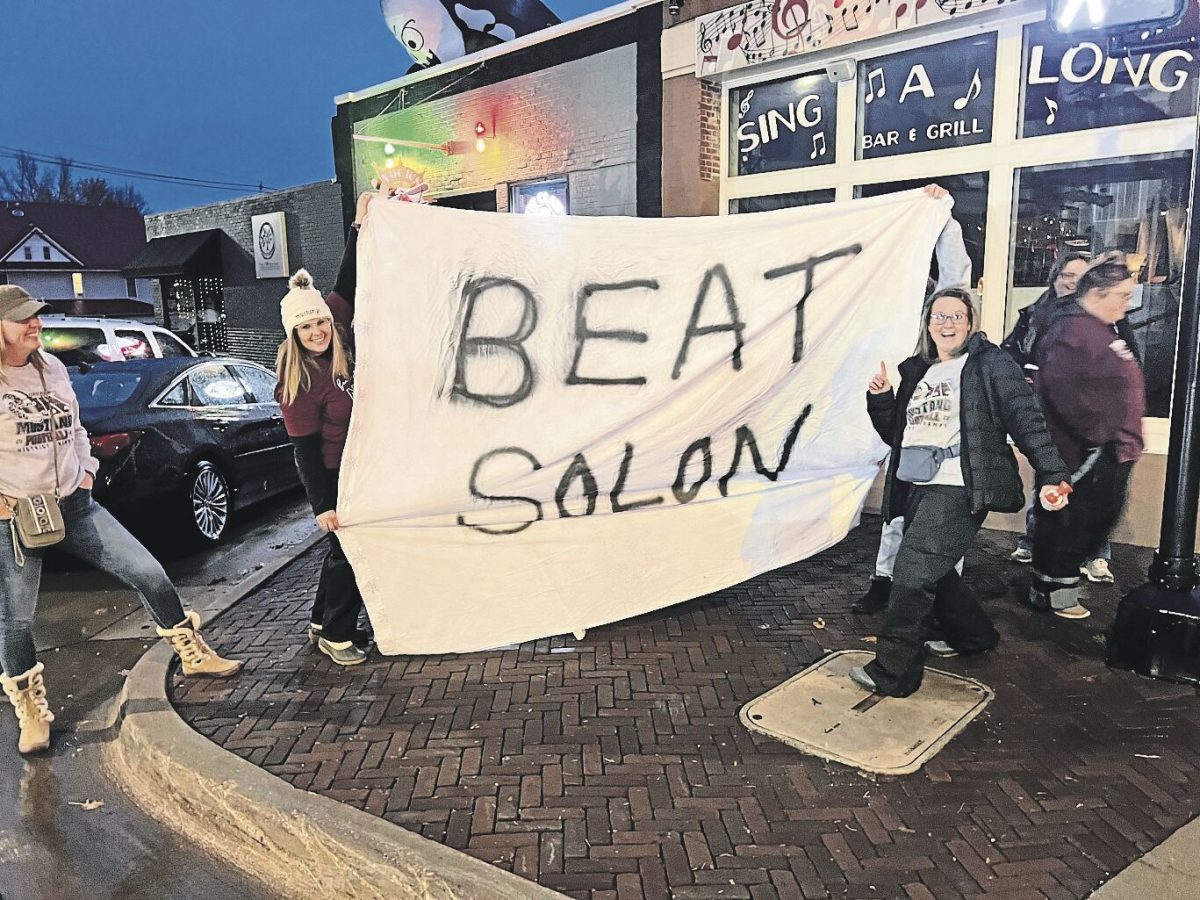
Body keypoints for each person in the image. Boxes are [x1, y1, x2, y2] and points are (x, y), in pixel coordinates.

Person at [0, 284, 241, 756]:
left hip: (74, 504)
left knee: (147, 572)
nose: (36, 324)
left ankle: (192, 654)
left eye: (36, 316)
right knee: (16, 620)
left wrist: (86, 472)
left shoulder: (51, 368)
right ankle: (29, 710)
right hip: (15, 517)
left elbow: (73, 430)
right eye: (23, 319)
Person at [850, 287, 1071, 697]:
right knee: (935, 571)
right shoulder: (917, 370)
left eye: (956, 316)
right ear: (928, 323)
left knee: (912, 573)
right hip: (916, 484)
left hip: (959, 484)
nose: (947, 323)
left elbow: (1027, 420)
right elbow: (897, 436)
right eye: (939, 316)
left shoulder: (991, 365)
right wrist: (881, 400)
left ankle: (895, 671)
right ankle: (973, 636)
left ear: (970, 323)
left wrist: (1053, 471)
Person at [853, 188, 972, 615]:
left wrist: (944, 217)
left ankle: (945, 596)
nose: (944, 321)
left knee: (945, 525)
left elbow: (956, 277)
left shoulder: (968, 351)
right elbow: (895, 420)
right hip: (912, 443)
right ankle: (884, 583)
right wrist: (882, 398)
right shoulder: (907, 344)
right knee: (896, 516)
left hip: (954, 456)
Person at [276, 191, 375, 667]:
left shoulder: (338, 330)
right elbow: (304, 450)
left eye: (320, 322)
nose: (317, 331)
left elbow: (348, 280)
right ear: (293, 335)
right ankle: (338, 634)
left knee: (341, 552)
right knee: (349, 551)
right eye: (306, 327)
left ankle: (320, 620)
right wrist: (324, 505)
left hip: (363, 463)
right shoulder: (298, 381)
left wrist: (358, 225)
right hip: (337, 473)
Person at [1003, 252, 1130, 582]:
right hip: (1049, 420)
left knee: (1084, 495)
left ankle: (1090, 557)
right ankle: (1045, 563)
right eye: (1067, 275)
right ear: (1055, 278)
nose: (1072, 282)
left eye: (1080, 276)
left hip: (1085, 430)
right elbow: (1011, 355)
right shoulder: (1036, 315)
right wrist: (1028, 375)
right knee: (1053, 488)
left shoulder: (1101, 323)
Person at [1028, 262, 1144, 619]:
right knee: (1072, 520)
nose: (1127, 303)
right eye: (1122, 295)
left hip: (1107, 446)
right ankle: (1055, 592)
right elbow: (1064, 390)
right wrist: (1098, 438)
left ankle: (1050, 588)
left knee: (1083, 519)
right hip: (1087, 452)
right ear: (1096, 293)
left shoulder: (1099, 329)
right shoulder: (1074, 332)